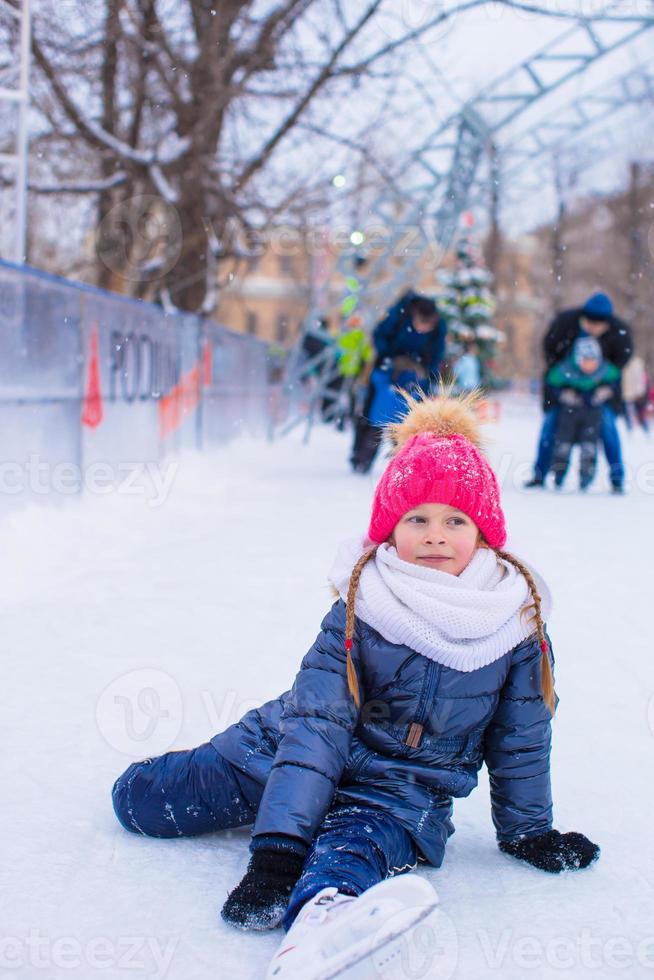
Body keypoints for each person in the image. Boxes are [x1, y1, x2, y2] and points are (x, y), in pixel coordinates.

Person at [112, 393, 599, 980]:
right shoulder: (362, 604)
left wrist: (528, 830)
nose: (435, 535)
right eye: (416, 518)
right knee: (137, 803)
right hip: (279, 753)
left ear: (485, 532)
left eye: (455, 520)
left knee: (350, 853)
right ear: (389, 530)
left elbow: (522, 736)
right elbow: (318, 725)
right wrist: (276, 851)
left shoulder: (515, 621)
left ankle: (327, 915)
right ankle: (213, 794)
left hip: (398, 794)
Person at [525, 292, 633, 492]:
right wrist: (561, 391)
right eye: (590, 322)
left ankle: (617, 478)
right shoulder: (565, 324)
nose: (593, 328)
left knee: (608, 428)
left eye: (599, 325)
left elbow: (619, 367)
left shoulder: (619, 333)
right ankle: (539, 474)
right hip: (563, 391)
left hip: (600, 395)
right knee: (550, 427)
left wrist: (605, 390)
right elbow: (551, 358)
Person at [349, 290, 446, 473]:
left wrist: (426, 372)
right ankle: (361, 459)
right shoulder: (399, 315)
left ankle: (406, 467)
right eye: (421, 325)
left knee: (408, 424)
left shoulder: (439, 326)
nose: (423, 330)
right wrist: (391, 359)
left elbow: (437, 354)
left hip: (416, 376)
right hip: (387, 370)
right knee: (372, 418)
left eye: (428, 327)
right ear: (414, 316)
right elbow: (379, 336)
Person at [546, 337, 621, 491]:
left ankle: (586, 477)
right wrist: (563, 393)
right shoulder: (566, 370)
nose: (589, 365)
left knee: (589, 445)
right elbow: (551, 381)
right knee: (563, 444)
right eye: (586, 361)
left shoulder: (605, 371)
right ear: (578, 359)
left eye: (593, 361)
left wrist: (606, 390)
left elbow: (615, 379)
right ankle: (559, 475)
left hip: (593, 413)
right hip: (569, 412)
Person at [621, 354, 650, 433]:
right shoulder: (624, 362)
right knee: (629, 412)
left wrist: (640, 390)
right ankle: (630, 429)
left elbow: (641, 378)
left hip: (635, 392)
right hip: (629, 392)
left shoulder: (636, 362)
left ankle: (645, 429)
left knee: (639, 411)